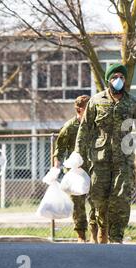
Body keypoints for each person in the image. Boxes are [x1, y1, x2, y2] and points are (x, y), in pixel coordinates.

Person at [74, 63, 136, 244]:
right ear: (108, 80)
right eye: (114, 77)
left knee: (120, 200)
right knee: (99, 200)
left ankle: (116, 237)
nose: (118, 80)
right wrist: (77, 158)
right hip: (100, 160)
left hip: (124, 161)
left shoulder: (133, 103)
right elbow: (84, 130)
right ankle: (102, 230)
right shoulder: (96, 102)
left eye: (121, 77)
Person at [53, 95, 96, 243]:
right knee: (78, 204)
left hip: (93, 169)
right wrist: (55, 170)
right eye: (88, 107)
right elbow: (59, 150)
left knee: (96, 202)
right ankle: (81, 235)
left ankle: (94, 234)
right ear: (79, 109)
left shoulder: (94, 125)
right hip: (75, 172)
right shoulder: (69, 127)